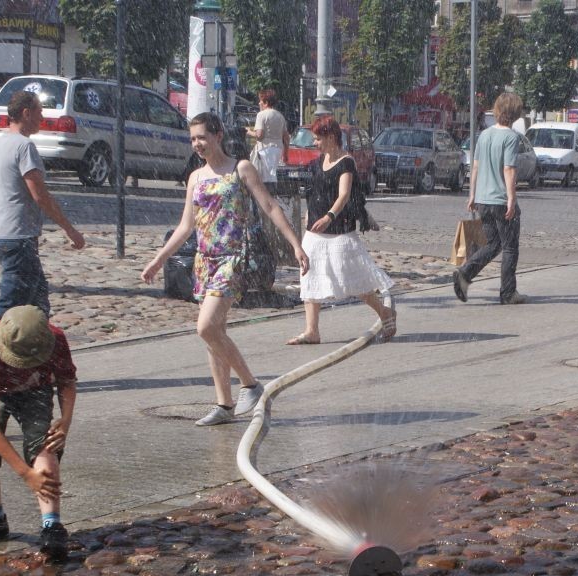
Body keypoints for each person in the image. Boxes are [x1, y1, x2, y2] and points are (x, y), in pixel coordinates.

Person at [141, 112, 309, 426]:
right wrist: (159, 259)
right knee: (215, 332)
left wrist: (296, 245)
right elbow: (185, 226)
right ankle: (225, 405)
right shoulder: (195, 178)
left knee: (205, 327)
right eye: (192, 139)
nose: (197, 144)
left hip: (234, 259)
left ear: (218, 135)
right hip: (205, 261)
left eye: (202, 137)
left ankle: (250, 384)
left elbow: (270, 206)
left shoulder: (240, 168)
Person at [0, 90, 85, 377]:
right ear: (26, 113)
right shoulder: (23, 148)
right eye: (39, 111)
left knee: (38, 302)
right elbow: (40, 196)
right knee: (8, 304)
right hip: (19, 239)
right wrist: (70, 229)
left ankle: (36, 363)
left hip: (2, 237)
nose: (42, 117)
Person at [0, 305, 77, 561]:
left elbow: (67, 381)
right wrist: (26, 474)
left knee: (46, 443)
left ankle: (52, 525)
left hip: (35, 389)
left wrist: (65, 420)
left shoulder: (55, 339)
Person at [286, 115, 396, 346]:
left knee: (352, 278)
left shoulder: (347, 162)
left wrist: (330, 216)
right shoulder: (317, 163)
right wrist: (310, 217)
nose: (315, 143)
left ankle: (384, 313)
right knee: (309, 277)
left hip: (339, 231)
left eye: (318, 139)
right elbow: (314, 193)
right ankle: (311, 331)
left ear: (332, 137)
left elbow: (344, 195)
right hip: (314, 232)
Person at [453, 92, 527, 306]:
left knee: (493, 244)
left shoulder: (484, 135)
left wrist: (472, 194)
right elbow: (509, 169)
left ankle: (465, 273)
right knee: (510, 247)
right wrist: (511, 199)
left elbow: (474, 166)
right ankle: (508, 293)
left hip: (483, 200)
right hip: (501, 200)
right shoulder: (511, 137)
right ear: (515, 113)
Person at [246, 89, 290, 184]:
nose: (259, 103)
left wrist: (249, 132)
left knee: (261, 178)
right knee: (271, 175)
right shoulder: (280, 116)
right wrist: (286, 154)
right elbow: (286, 137)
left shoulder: (261, 115)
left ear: (265, 103)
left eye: (261, 101)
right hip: (278, 149)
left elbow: (259, 135)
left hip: (264, 149)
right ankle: (273, 194)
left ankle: (265, 196)